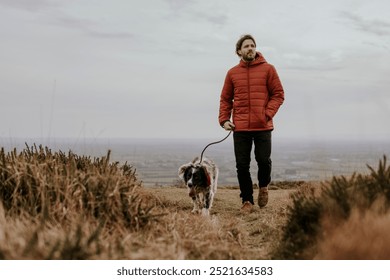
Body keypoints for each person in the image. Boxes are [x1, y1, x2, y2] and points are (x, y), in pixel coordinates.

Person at [218, 34, 284, 213]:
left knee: (263, 160)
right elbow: (225, 99)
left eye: (252, 45)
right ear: (239, 51)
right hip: (240, 128)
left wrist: (267, 114)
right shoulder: (232, 73)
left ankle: (263, 187)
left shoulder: (268, 69)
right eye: (246, 46)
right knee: (242, 165)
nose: (250, 48)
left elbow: (278, 94)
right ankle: (247, 200)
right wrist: (224, 120)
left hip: (263, 126)